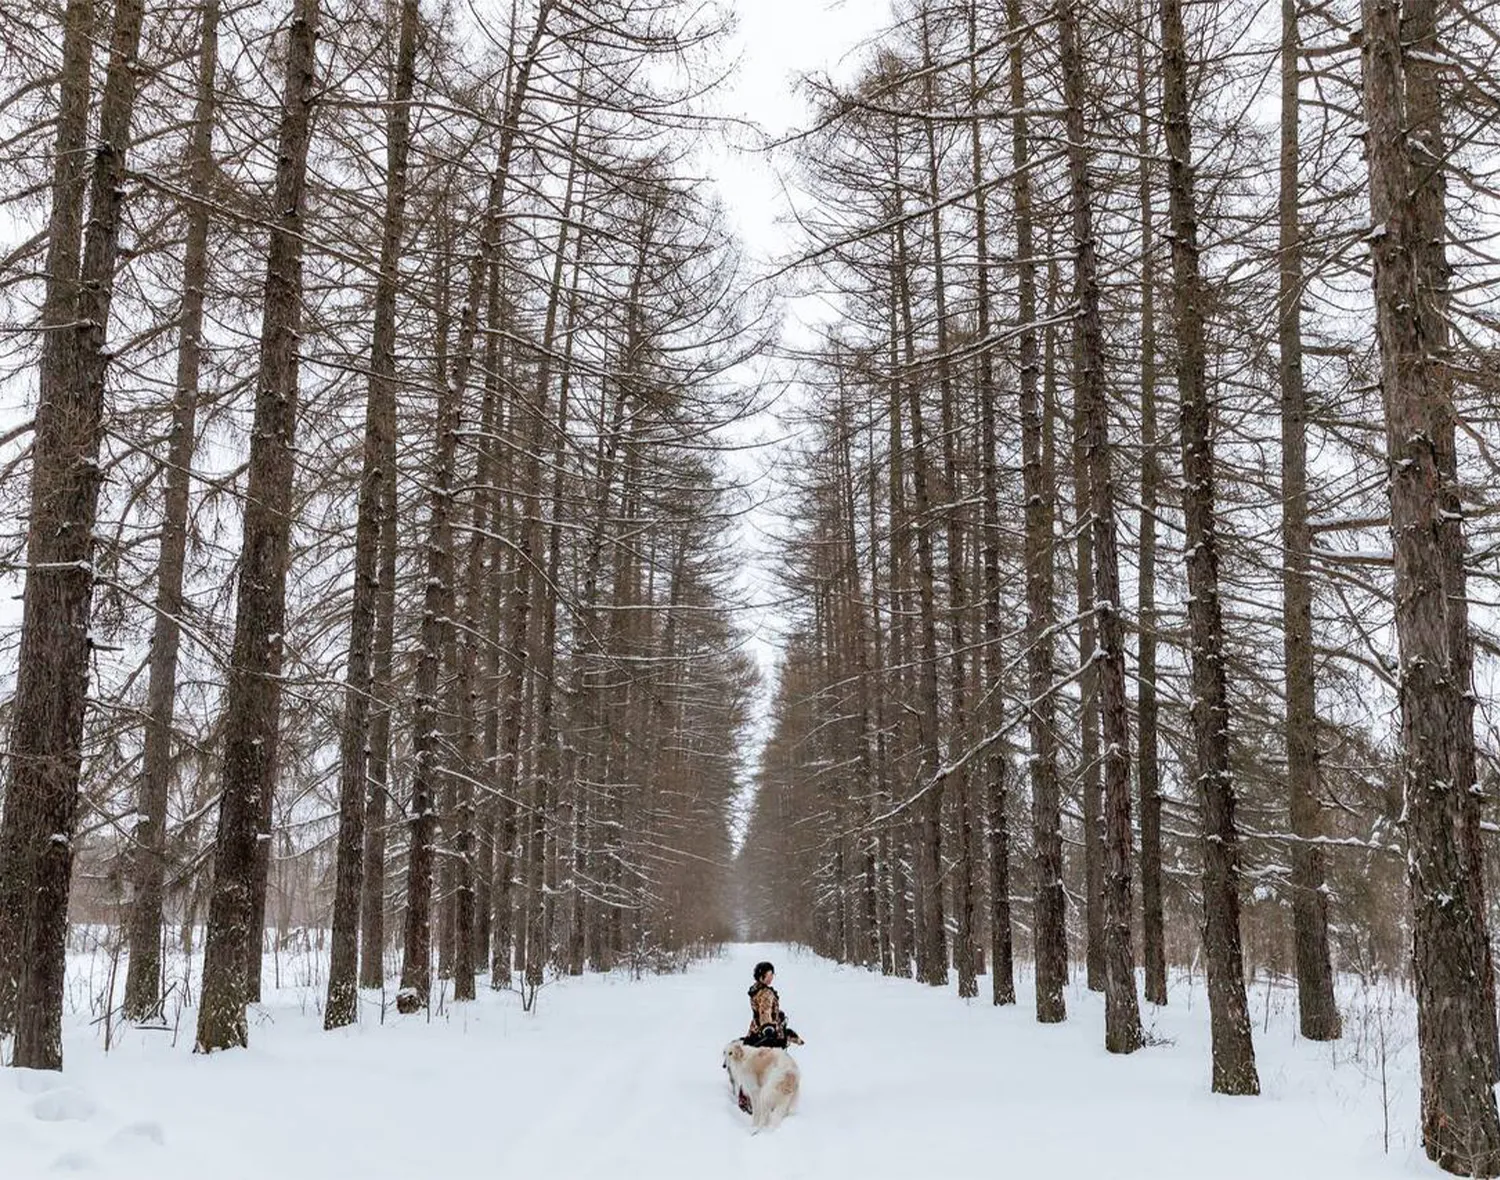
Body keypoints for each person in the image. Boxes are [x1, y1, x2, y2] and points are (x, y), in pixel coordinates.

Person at [735, 961, 804, 1114]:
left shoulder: (757, 989)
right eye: (769, 974)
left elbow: (762, 1010)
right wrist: (768, 1029)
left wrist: (777, 1015)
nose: (772, 977)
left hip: (755, 1031)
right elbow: (765, 1012)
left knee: (754, 1066)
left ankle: (747, 1096)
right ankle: (758, 1099)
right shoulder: (766, 993)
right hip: (766, 1035)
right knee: (767, 1066)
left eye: (772, 974)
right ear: (762, 976)